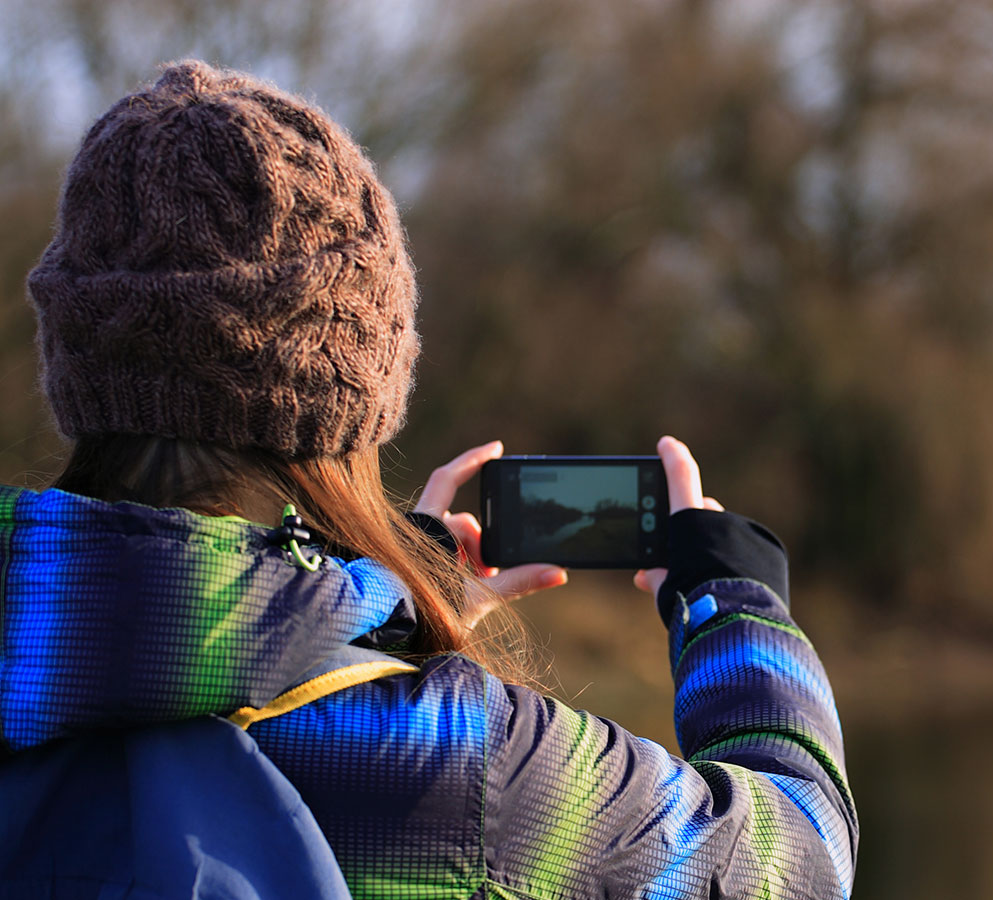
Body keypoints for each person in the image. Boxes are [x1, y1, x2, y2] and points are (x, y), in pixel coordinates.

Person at [0, 60, 856, 898]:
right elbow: (800, 860)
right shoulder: (449, 763)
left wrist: (370, 611)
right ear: (354, 399)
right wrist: (736, 608)